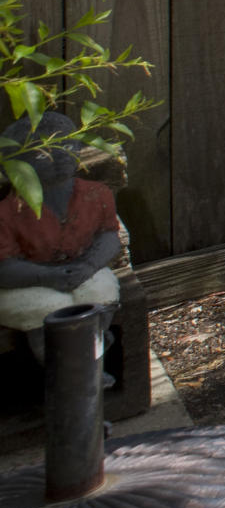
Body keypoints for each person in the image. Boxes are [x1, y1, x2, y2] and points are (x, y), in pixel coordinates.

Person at [0, 112, 126, 361]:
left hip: (81, 269)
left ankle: (88, 360)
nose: (59, 158)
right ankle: (63, 366)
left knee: (101, 290)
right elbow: (4, 268)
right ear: (19, 164)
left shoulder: (96, 194)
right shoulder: (8, 211)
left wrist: (88, 265)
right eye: (43, 153)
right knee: (45, 308)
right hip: (31, 283)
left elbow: (109, 236)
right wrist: (48, 275)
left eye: (66, 146)